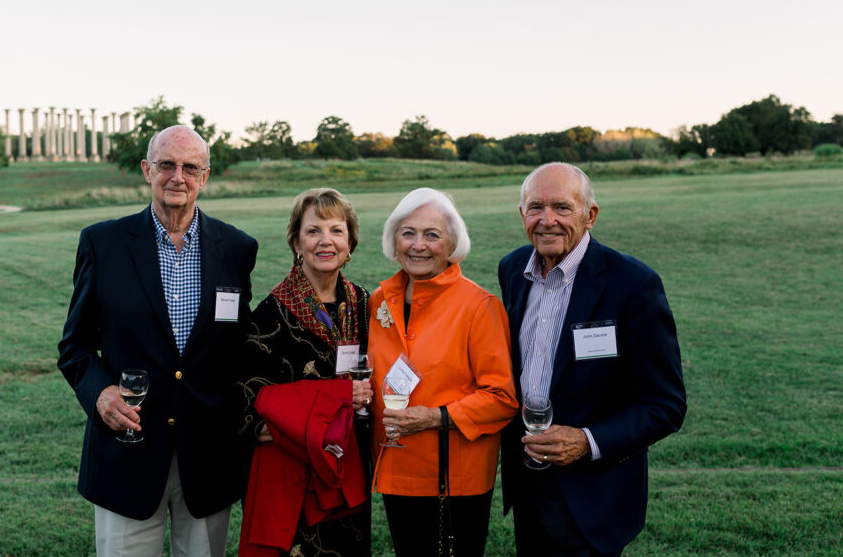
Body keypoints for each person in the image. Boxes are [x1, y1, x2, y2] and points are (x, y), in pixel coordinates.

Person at [57, 125, 257, 557]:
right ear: (148, 170)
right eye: (166, 164)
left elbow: (240, 348)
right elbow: (73, 347)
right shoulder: (103, 242)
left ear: (205, 177)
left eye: (190, 167)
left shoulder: (237, 248)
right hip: (125, 452)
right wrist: (102, 394)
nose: (177, 176)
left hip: (207, 457)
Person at [497, 162, 687, 556]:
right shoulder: (513, 269)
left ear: (590, 215)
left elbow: (665, 405)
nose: (547, 220)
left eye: (562, 208)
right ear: (522, 214)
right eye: (535, 207)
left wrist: (585, 441)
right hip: (529, 480)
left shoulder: (633, 284)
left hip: (593, 491)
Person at [369, 187, 519, 557]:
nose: (418, 245)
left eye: (432, 234)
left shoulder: (479, 306)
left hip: (454, 479)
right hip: (396, 469)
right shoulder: (377, 301)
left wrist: (435, 417)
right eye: (408, 233)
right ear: (394, 240)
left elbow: (502, 398)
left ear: (452, 243)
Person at [237, 188, 374, 557]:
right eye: (313, 231)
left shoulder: (364, 303)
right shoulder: (271, 314)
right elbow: (251, 408)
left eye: (336, 230)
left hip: (351, 466)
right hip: (296, 474)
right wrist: (314, 418)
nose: (325, 241)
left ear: (350, 242)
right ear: (297, 242)